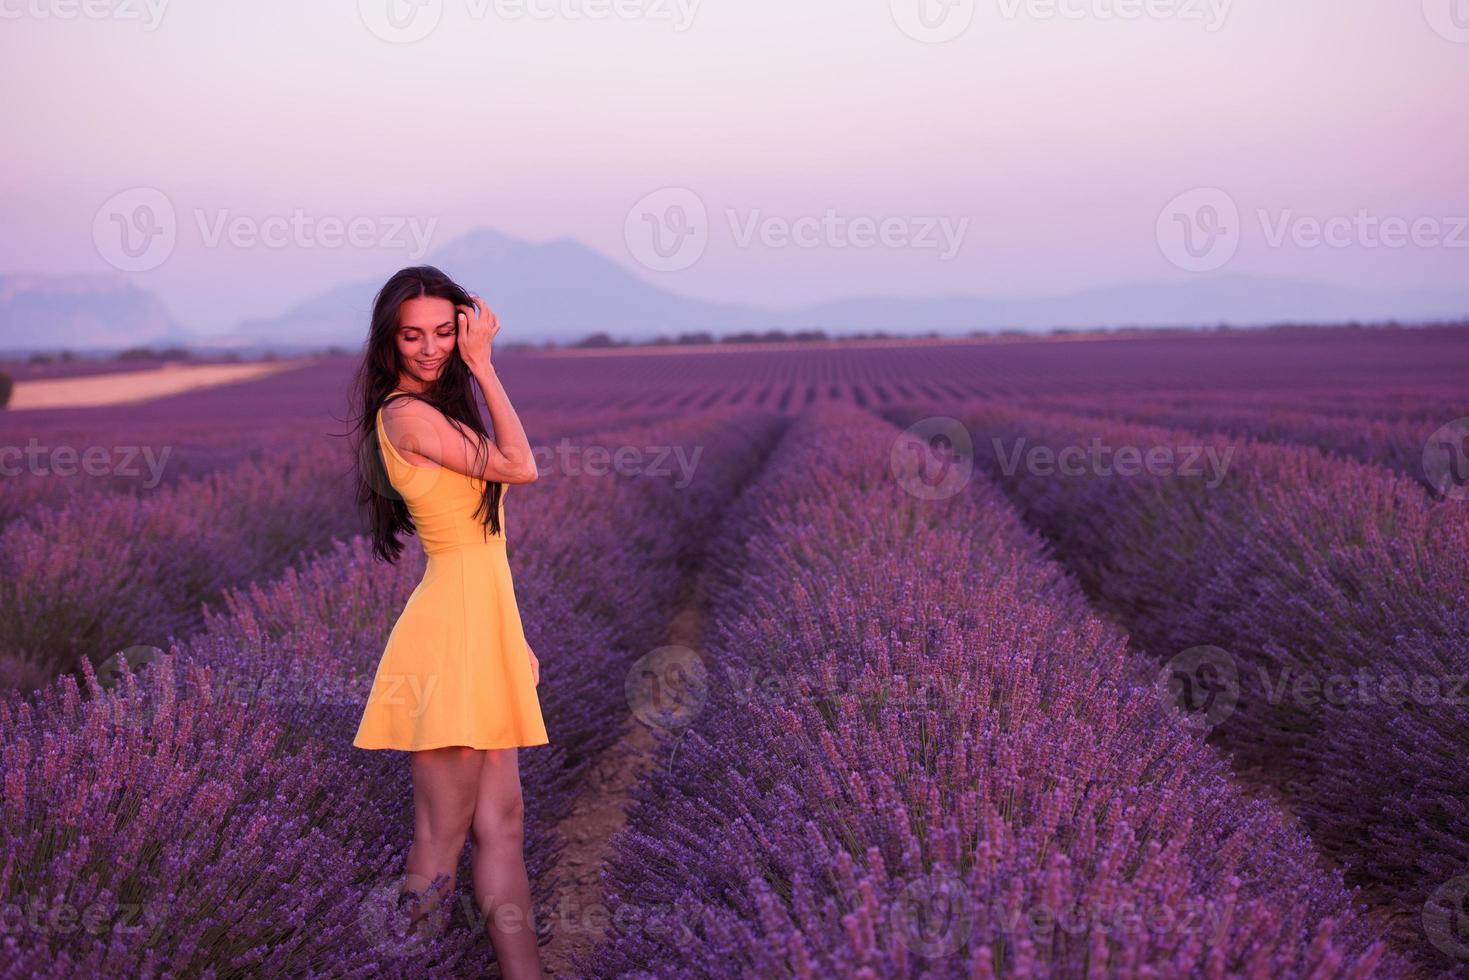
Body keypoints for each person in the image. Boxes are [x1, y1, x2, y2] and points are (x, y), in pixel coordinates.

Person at [350, 264, 547, 978]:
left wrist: (513, 639)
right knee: (439, 844)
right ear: (389, 343)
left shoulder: (440, 412)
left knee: (503, 827)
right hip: (447, 643)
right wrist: (485, 365)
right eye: (413, 336)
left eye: (444, 332)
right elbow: (520, 466)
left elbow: (484, 547)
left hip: (480, 633)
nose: (430, 348)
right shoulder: (408, 415)